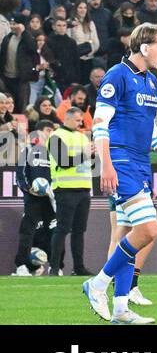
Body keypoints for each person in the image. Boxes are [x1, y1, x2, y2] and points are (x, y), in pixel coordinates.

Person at [83, 23, 157, 325]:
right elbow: (100, 124)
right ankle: (97, 284)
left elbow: (152, 132)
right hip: (121, 160)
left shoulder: (150, 81)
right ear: (144, 47)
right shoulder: (117, 76)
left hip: (141, 162)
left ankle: (120, 308)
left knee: (134, 234)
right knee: (150, 230)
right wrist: (106, 163)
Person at [48, 104, 94, 276]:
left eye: (81, 120)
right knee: (62, 229)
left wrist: (93, 154)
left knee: (79, 231)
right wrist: (86, 154)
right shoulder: (55, 136)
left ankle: (79, 267)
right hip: (65, 189)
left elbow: (89, 163)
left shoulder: (82, 137)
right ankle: (54, 267)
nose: (80, 123)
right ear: (66, 118)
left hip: (83, 189)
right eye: (77, 120)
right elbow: (63, 161)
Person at [12, 121, 54, 275]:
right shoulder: (28, 150)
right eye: (48, 130)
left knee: (53, 231)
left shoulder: (54, 153)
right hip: (33, 197)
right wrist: (29, 189)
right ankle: (21, 265)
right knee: (27, 231)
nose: (51, 133)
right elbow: (20, 174)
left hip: (50, 198)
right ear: (39, 132)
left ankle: (55, 267)